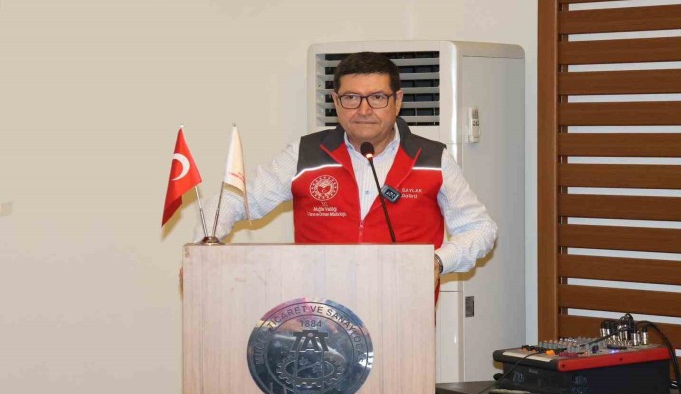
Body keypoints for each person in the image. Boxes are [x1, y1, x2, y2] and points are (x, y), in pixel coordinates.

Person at [200, 52, 497, 290]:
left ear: (398, 101)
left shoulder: (432, 159)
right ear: (336, 101)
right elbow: (234, 199)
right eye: (351, 98)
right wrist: (203, 251)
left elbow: (480, 229)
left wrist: (437, 261)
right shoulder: (305, 155)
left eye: (377, 97)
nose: (364, 110)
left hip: (403, 314)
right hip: (317, 315)